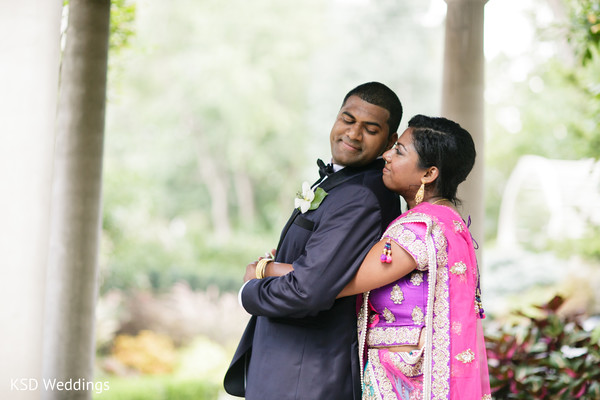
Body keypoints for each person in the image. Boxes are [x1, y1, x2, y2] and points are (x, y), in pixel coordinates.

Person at [257, 115, 492, 399]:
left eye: (399, 151)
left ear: (428, 174)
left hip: (403, 385)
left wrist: (265, 270)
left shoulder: (419, 230)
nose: (386, 155)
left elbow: (330, 281)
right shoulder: (442, 221)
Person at [223, 82, 403, 400]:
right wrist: (281, 262)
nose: (353, 134)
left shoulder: (360, 195)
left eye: (370, 129)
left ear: (390, 141)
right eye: (348, 120)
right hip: (289, 369)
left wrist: (250, 287)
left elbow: (308, 290)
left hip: (305, 378)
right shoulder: (343, 183)